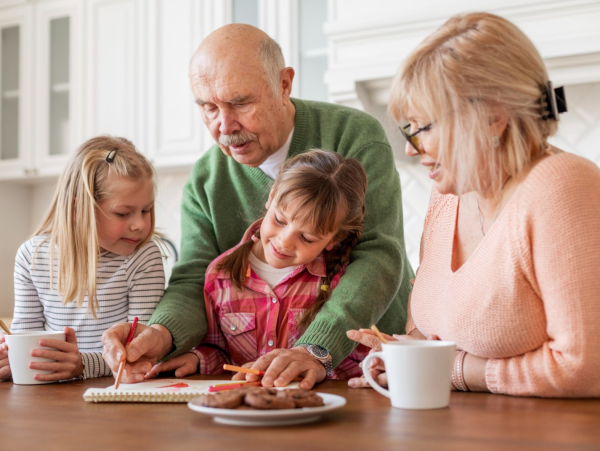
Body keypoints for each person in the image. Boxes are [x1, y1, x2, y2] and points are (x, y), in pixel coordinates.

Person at [101, 24, 414, 390]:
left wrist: (316, 350)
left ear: (284, 84)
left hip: (372, 372)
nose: (224, 126)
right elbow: (194, 277)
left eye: (239, 103)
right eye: (208, 107)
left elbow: (378, 254)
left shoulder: (353, 134)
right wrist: (162, 332)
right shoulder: (206, 178)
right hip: (269, 380)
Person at [348, 12, 600, 397]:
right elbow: (438, 330)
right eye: (408, 129)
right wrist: (404, 354)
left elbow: (585, 365)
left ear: (493, 117)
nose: (409, 149)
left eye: (424, 128)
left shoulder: (562, 186)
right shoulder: (448, 196)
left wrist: (456, 370)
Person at [146, 150, 369, 381]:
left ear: (334, 240)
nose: (284, 242)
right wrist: (198, 359)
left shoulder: (340, 283)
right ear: (271, 196)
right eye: (279, 220)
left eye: (307, 238)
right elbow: (220, 352)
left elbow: (357, 359)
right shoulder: (221, 276)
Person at [0, 136, 165, 382]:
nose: (139, 224)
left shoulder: (143, 257)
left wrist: (83, 364)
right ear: (79, 210)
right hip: (51, 398)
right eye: (123, 213)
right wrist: (13, 360)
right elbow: (27, 338)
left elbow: (141, 353)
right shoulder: (32, 256)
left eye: (146, 210)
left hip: (115, 393)